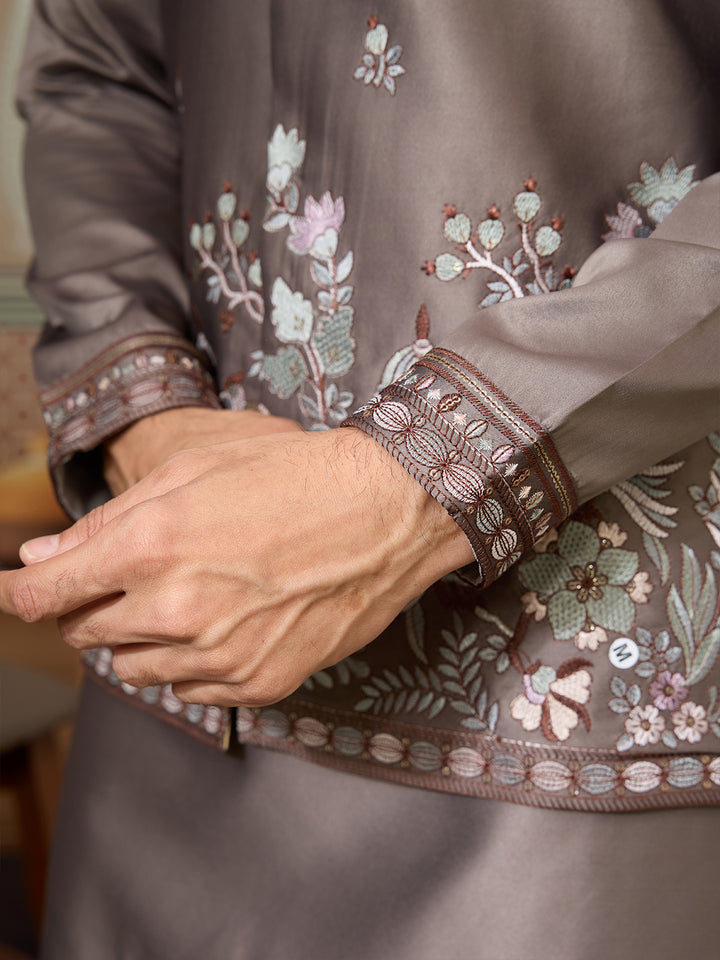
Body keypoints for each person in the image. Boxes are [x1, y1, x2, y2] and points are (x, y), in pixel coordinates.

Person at [3, 1, 719, 956]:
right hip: (177, 689)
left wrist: (415, 481)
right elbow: (97, 64)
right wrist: (151, 424)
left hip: (567, 754)